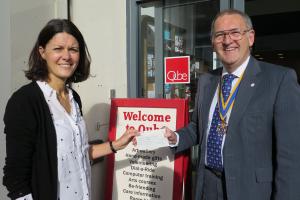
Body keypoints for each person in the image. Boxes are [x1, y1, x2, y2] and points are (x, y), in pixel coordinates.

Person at [164, 9, 300, 200]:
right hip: (207, 186)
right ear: (213, 42)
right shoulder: (206, 81)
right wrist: (176, 138)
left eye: (235, 32)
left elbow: (291, 157)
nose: (227, 41)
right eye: (220, 35)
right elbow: (198, 127)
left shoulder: (279, 80)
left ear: (250, 37)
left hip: (251, 191)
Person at [2, 19, 137, 200]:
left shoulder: (74, 98)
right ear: (42, 52)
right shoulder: (25, 101)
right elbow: (15, 177)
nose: (67, 56)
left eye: (73, 49)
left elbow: (78, 153)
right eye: (58, 49)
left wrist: (116, 145)